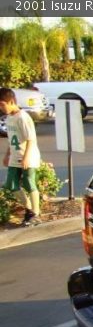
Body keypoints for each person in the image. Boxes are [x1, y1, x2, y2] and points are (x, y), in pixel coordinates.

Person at [1, 87, 42, 226]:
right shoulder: (9, 118)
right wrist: (7, 155)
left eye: (2, 104)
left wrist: (26, 157)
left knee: (29, 183)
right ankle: (29, 209)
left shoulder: (23, 117)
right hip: (14, 157)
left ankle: (35, 213)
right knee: (11, 184)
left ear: (11, 101)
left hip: (28, 157)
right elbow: (11, 139)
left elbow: (31, 139)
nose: (1, 108)